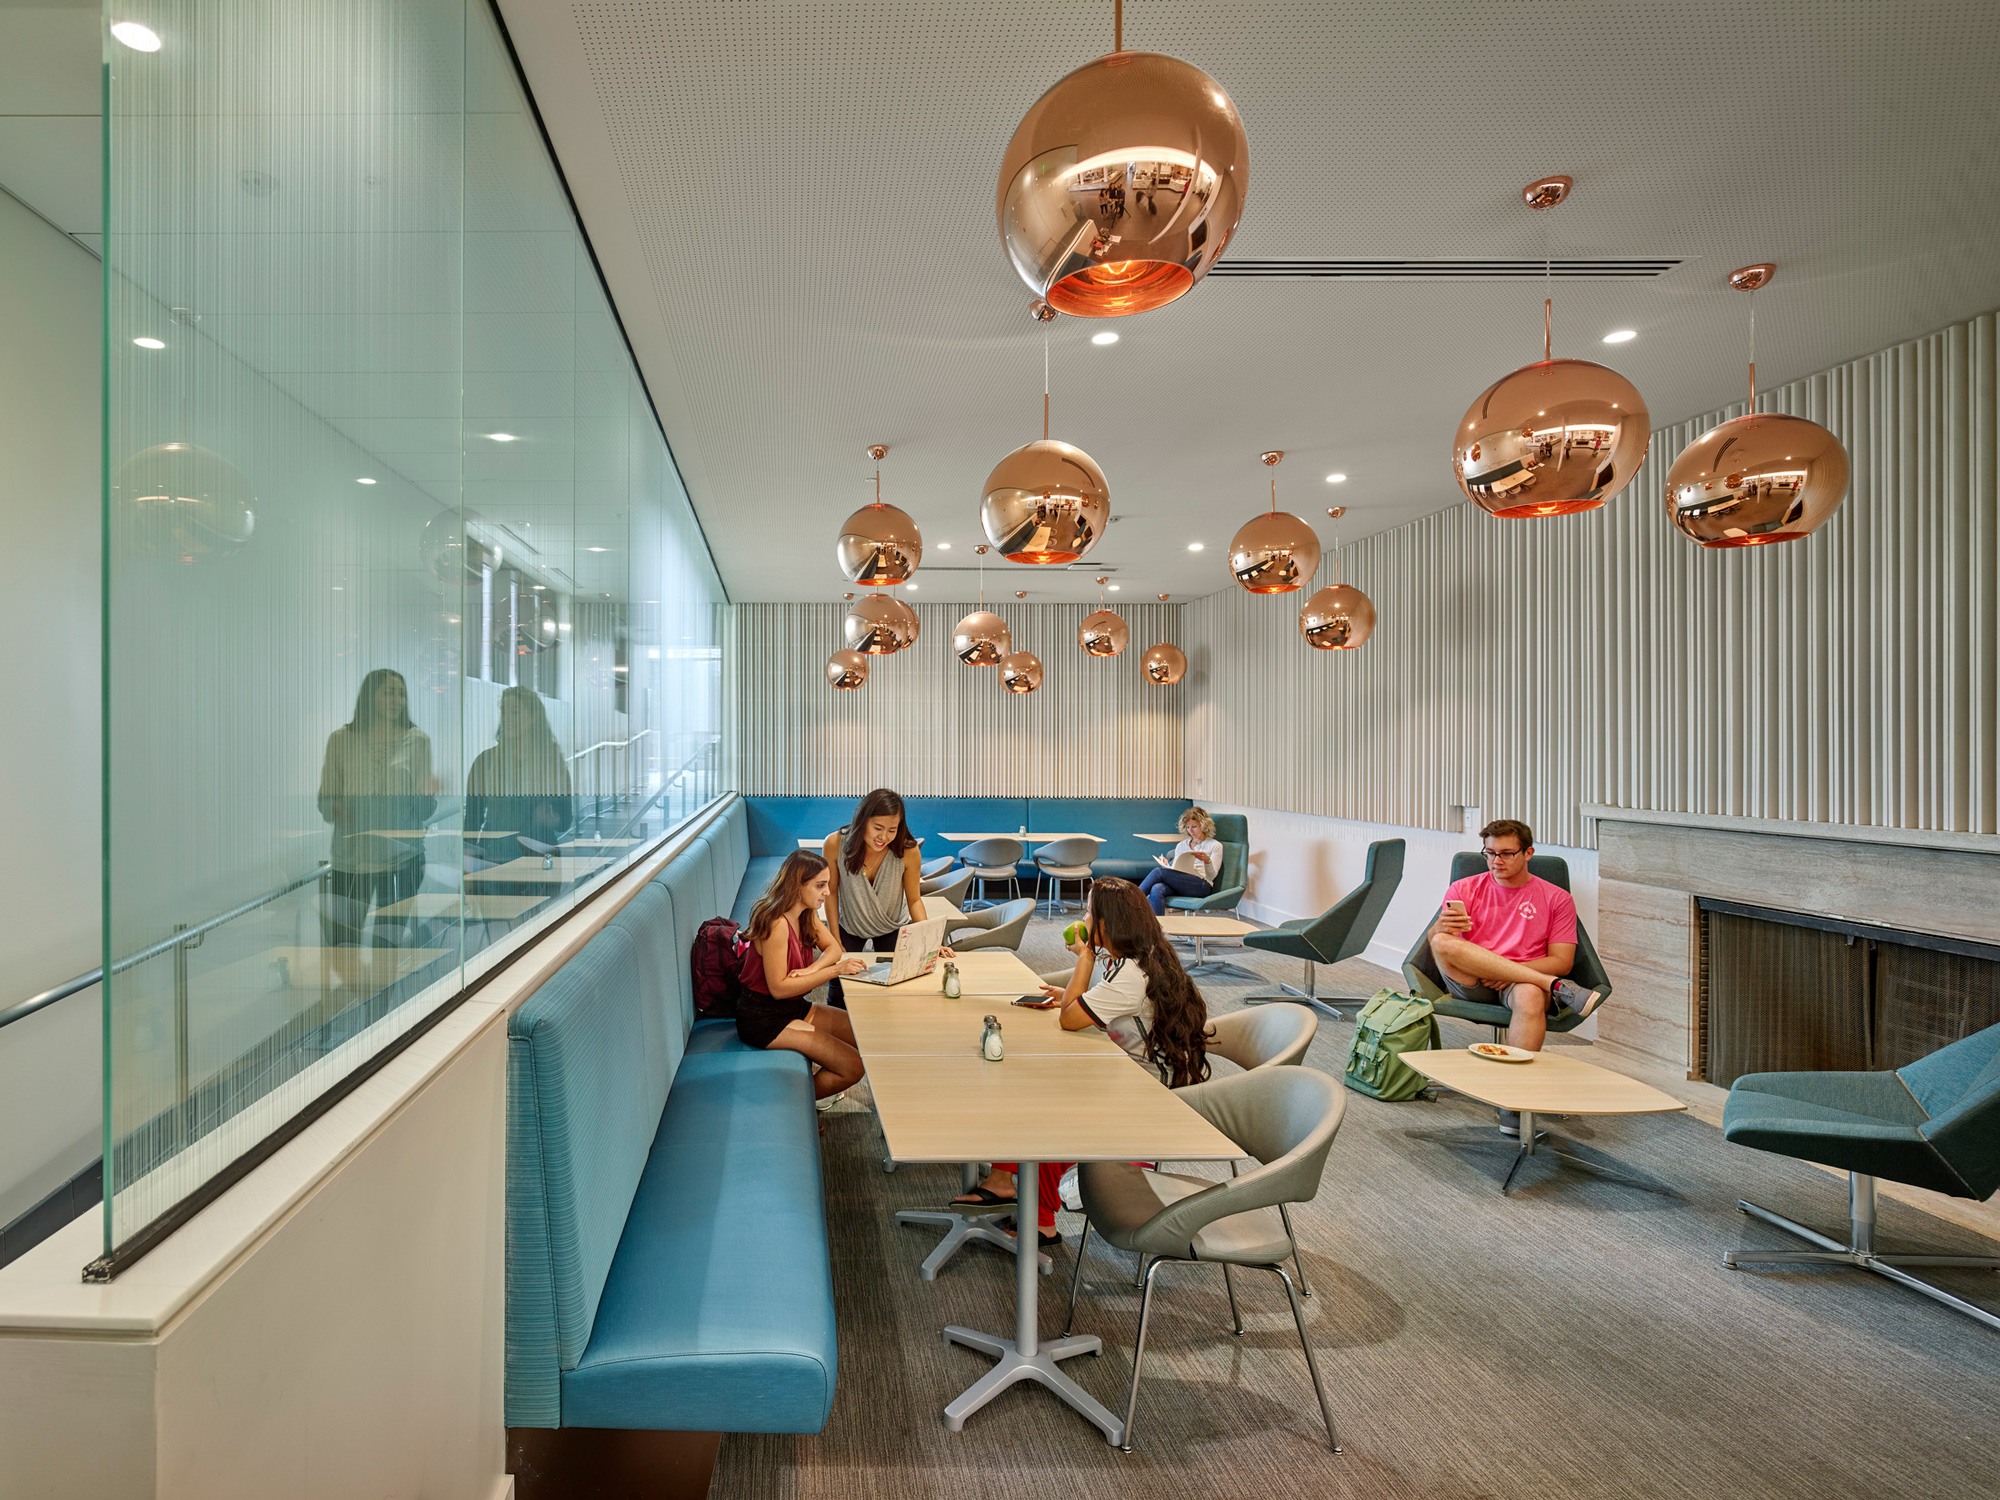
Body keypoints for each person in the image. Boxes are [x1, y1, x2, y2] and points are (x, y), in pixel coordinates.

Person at [953, 877, 1212, 1247]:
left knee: (1046, 1101)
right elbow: (1096, 1008)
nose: (1085, 920)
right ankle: (1003, 1182)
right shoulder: (1140, 958)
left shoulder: (1128, 974)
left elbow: (1069, 1019)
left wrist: (1085, 957)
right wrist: (1080, 994)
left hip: (1144, 1096)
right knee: (1043, 1088)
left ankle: (1039, 1221)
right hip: (1134, 1072)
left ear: (1106, 925)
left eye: (1090, 914)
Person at [1425, 818, 1607, 1055]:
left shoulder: (1557, 898)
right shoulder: (1464, 888)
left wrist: (1507, 970)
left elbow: (1562, 961)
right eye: (1490, 853)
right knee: (1440, 940)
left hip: (1521, 983)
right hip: (1471, 980)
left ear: (1528, 853)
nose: (1496, 861)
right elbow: (1440, 946)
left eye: (1506, 854)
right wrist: (1439, 926)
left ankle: (1517, 1083)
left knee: (1530, 995)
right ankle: (1554, 986)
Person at [317, 668, 436, 951]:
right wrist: (336, 808)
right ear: (370, 697)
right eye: (388, 692)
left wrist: (426, 792)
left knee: (387, 945)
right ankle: (350, 996)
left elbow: (424, 810)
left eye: (401, 693)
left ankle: (385, 997)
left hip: (402, 860)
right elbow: (325, 800)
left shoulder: (417, 740)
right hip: (352, 861)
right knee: (343, 943)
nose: (396, 699)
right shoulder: (341, 740)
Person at [737, 850, 868, 1101]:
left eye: (827, 885)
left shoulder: (806, 914)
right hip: (764, 1019)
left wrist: (811, 969)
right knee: (853, 1066)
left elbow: (833, 949)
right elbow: (779, 988)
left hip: (794, 1007)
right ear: (797, 885)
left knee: (864, 1032)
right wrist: (833, 971)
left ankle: (801, 1101)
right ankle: (793, 1109)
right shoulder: (775, 923)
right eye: (820, 886)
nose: (827, 893)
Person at [464, 686, 574, 864]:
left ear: (533, 717)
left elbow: (564, 822)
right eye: (504, 712)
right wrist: (467, 865)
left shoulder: (551, 762)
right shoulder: (485, 762)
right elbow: (472, 820)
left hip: (540, 854)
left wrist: (549, 819)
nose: (508, 719)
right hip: (495, 856)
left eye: (514, 712)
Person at [822, 787, 933, 955]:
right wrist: (834, 938)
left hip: (892, 924)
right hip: (851, 923)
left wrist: (929, 940)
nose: (883, 837)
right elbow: (830, 892)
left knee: (898, 978)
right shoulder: (835, 844)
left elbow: (914, 900)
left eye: (892, 830)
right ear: (863, 821)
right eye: (878, 828)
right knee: (839, 978)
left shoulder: (908, 851)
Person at [1138, 805, 1224, 914]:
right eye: (1188, 827)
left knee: (1159, 871)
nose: (1190, 831)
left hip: (1201, 885)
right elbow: (1177, 869)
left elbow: (1212, 876)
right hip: (1181, 883)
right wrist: (1167, 866)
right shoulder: (1181, 845)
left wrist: (1207, 861)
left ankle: (1132, 898)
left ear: (1203, 826)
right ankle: (1157, 928)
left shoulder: (1214, 845)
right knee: (1157, 888)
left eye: (1194, 826)